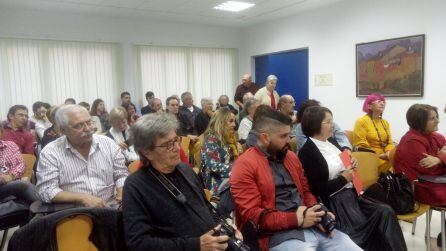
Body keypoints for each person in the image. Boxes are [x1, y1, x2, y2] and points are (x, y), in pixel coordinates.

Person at [230, 106, 361, 251]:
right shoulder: (244, 166)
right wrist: (297, 219)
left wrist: (317, 210)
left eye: (289, 135)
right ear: (265, 137)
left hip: (312, 226)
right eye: (283, 136)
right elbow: (252, 217)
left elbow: (305, 191)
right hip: (277, 235)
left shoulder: (290, 157)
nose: (289, 140)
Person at [122, 113, 243, 251]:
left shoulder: (185, 169)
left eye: (176, 140)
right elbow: (138, 244)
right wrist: (196, 245)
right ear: (147, 152)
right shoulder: (135, 186)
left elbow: (207, 208)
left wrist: (226, 226)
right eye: (168, 145)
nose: (177, 148)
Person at [298, 106, 406, 251]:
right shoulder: (307, 152)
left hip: (352, 196)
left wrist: (351, 163)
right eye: (329, 122)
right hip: (335, 202)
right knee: (362, 230)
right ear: (316, 124)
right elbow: (315, 188)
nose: (333, 125)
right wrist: (343, 179)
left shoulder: (331, 142)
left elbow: (347, 166)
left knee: (385, 211)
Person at [36, 105, 128, 208]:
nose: (88, 129)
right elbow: (46, 190)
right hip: (74, 212)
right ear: (63, 130)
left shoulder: (108, 144)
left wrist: (121, 195)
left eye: (89, 122)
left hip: (111, 207)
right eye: (79, 126)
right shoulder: (50, 152)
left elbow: (121, 175)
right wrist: (83, 198)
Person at [395, 104, 446, 181]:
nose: (437, 121)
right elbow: (431, 171)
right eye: (432, 118)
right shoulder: (411, 141)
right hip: (422, 185)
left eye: (436, 117)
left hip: (435, 180)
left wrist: (439, 160)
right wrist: (442, 159)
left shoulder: (438, 137)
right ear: (419, 122)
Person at [201, 107, 241, 196]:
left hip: (230, 177)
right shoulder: (211, 139)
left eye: (234, 121)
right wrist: (238, 168)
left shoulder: (228, 138)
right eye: (231, 121)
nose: (234, 125)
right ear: (221, 122)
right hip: (216, 182)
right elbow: (213, 166)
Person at [353, 93, 395, 173]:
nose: (382, 103)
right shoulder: (361, 122)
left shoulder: (385, 122)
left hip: (386, 156)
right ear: (369, 106)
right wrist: (378, 155)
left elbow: (390, 142)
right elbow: (361, 144)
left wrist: (388, 154)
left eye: (383, 102)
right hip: (371, 157)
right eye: (379, 101)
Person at [0, 125, 39, 204]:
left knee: (23, 185)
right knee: (23, 185)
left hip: (14, 180)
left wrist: (12, 175)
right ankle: (46, 211)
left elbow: (21, 164)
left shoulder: (10, 145)